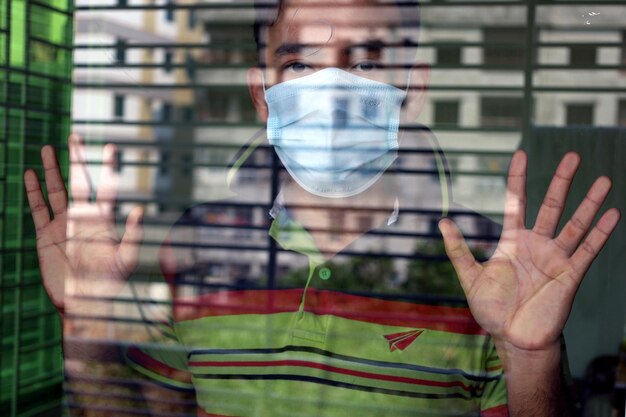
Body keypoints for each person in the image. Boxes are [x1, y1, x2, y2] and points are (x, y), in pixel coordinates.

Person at [23, 0, 620, 416]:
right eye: (301, 64)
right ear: (263, 92)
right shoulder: (202, 244)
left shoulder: (489, 269)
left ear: (413, 87)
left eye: (365, 63)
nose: (331, 91)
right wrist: (87, 328)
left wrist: (531, 357)